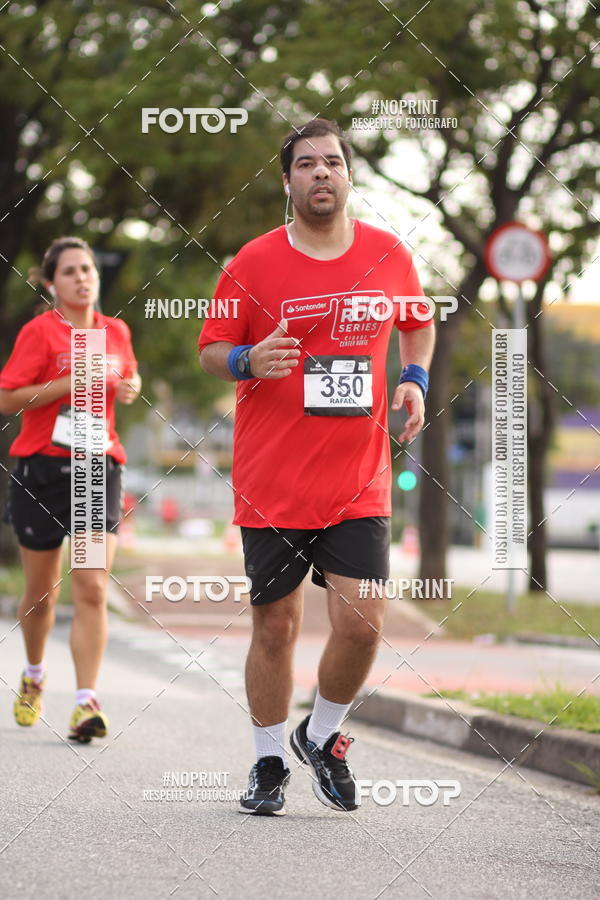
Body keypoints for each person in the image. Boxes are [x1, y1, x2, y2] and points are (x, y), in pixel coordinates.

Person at [198, 119, 435, 815]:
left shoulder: (389, 253)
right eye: (307, 165)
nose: (322, 173)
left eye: (333, 162)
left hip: (357, 478)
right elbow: (210, 348)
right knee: (275, 626)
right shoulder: (252, 263)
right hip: (271, 481)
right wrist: (246, 360)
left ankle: (322, 734)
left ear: (349, 175)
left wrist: (413, 376)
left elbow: (419, 317)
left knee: (363, 622)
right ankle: (268, 761)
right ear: (288, 181)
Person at [0, 237, 141, 743]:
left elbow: (129, 375)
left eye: (87, 270)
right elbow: (6, 396)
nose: (82, 278)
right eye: (70, 272)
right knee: (41, 593)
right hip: (41, 469)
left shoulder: (116, 331)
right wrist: (67, 382)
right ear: (51, 283)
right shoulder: (40, 333)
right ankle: (35, 673)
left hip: (95, 469)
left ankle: (85, 703)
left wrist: (131, 386)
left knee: (92, 585)